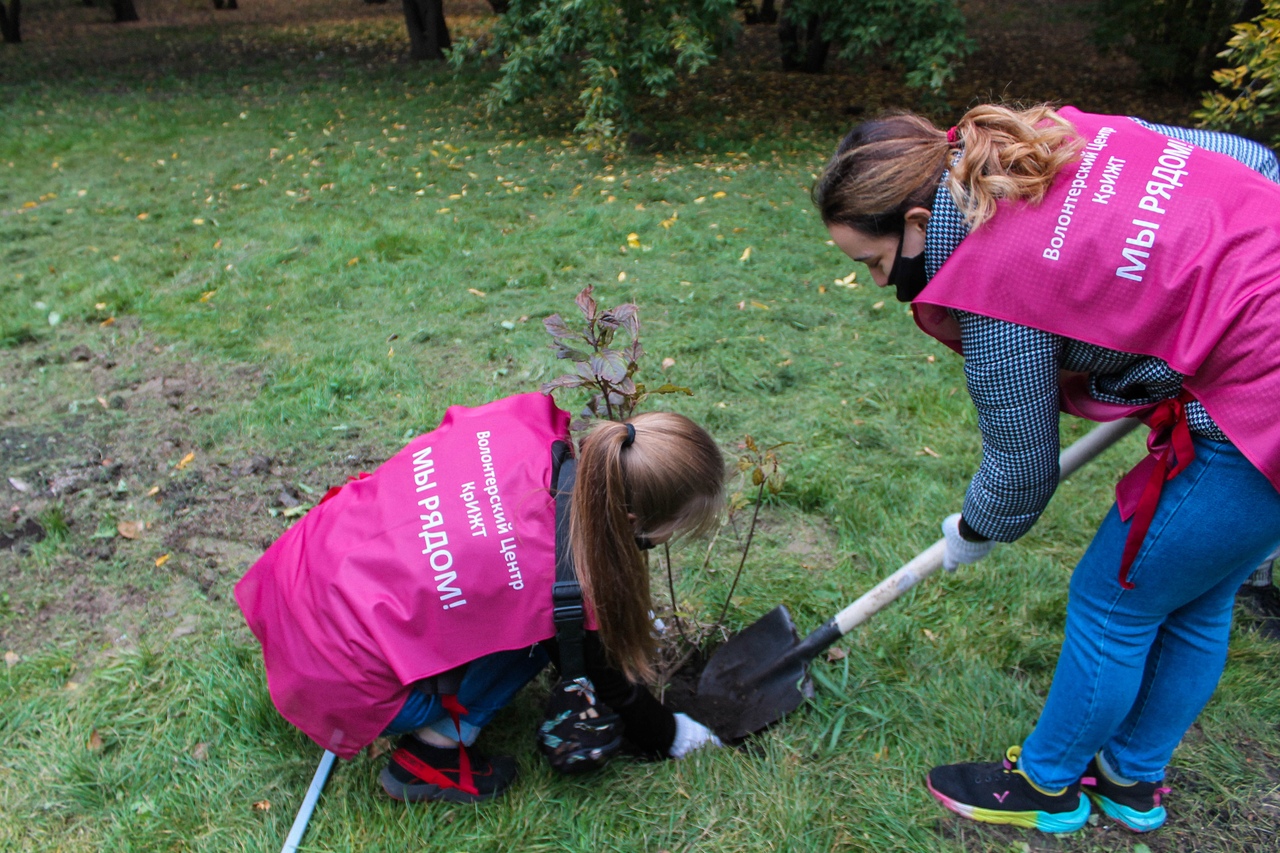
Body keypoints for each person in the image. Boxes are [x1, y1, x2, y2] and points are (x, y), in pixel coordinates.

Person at [812, 104, 1280, 834]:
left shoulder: (997, 283)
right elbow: (1252, 162)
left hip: (1262, 395)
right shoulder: (1050, 138)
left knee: (1113, 598)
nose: (876, 281)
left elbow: (1021, 471)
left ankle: (1047, 783)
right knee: (1196, 594)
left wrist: (972, 530)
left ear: (916, 221)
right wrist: (1185, 297)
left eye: (871, 261)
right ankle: (1131, 776)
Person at [235, 392, 726, 803]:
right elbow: (612, 687)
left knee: (525, 605)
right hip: (337, 678)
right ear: (634, 523)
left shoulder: (523, 428)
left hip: (298, 582)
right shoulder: (563, 581)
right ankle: (434, 753)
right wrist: (673, 735)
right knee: (546, 629)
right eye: (675, 529)